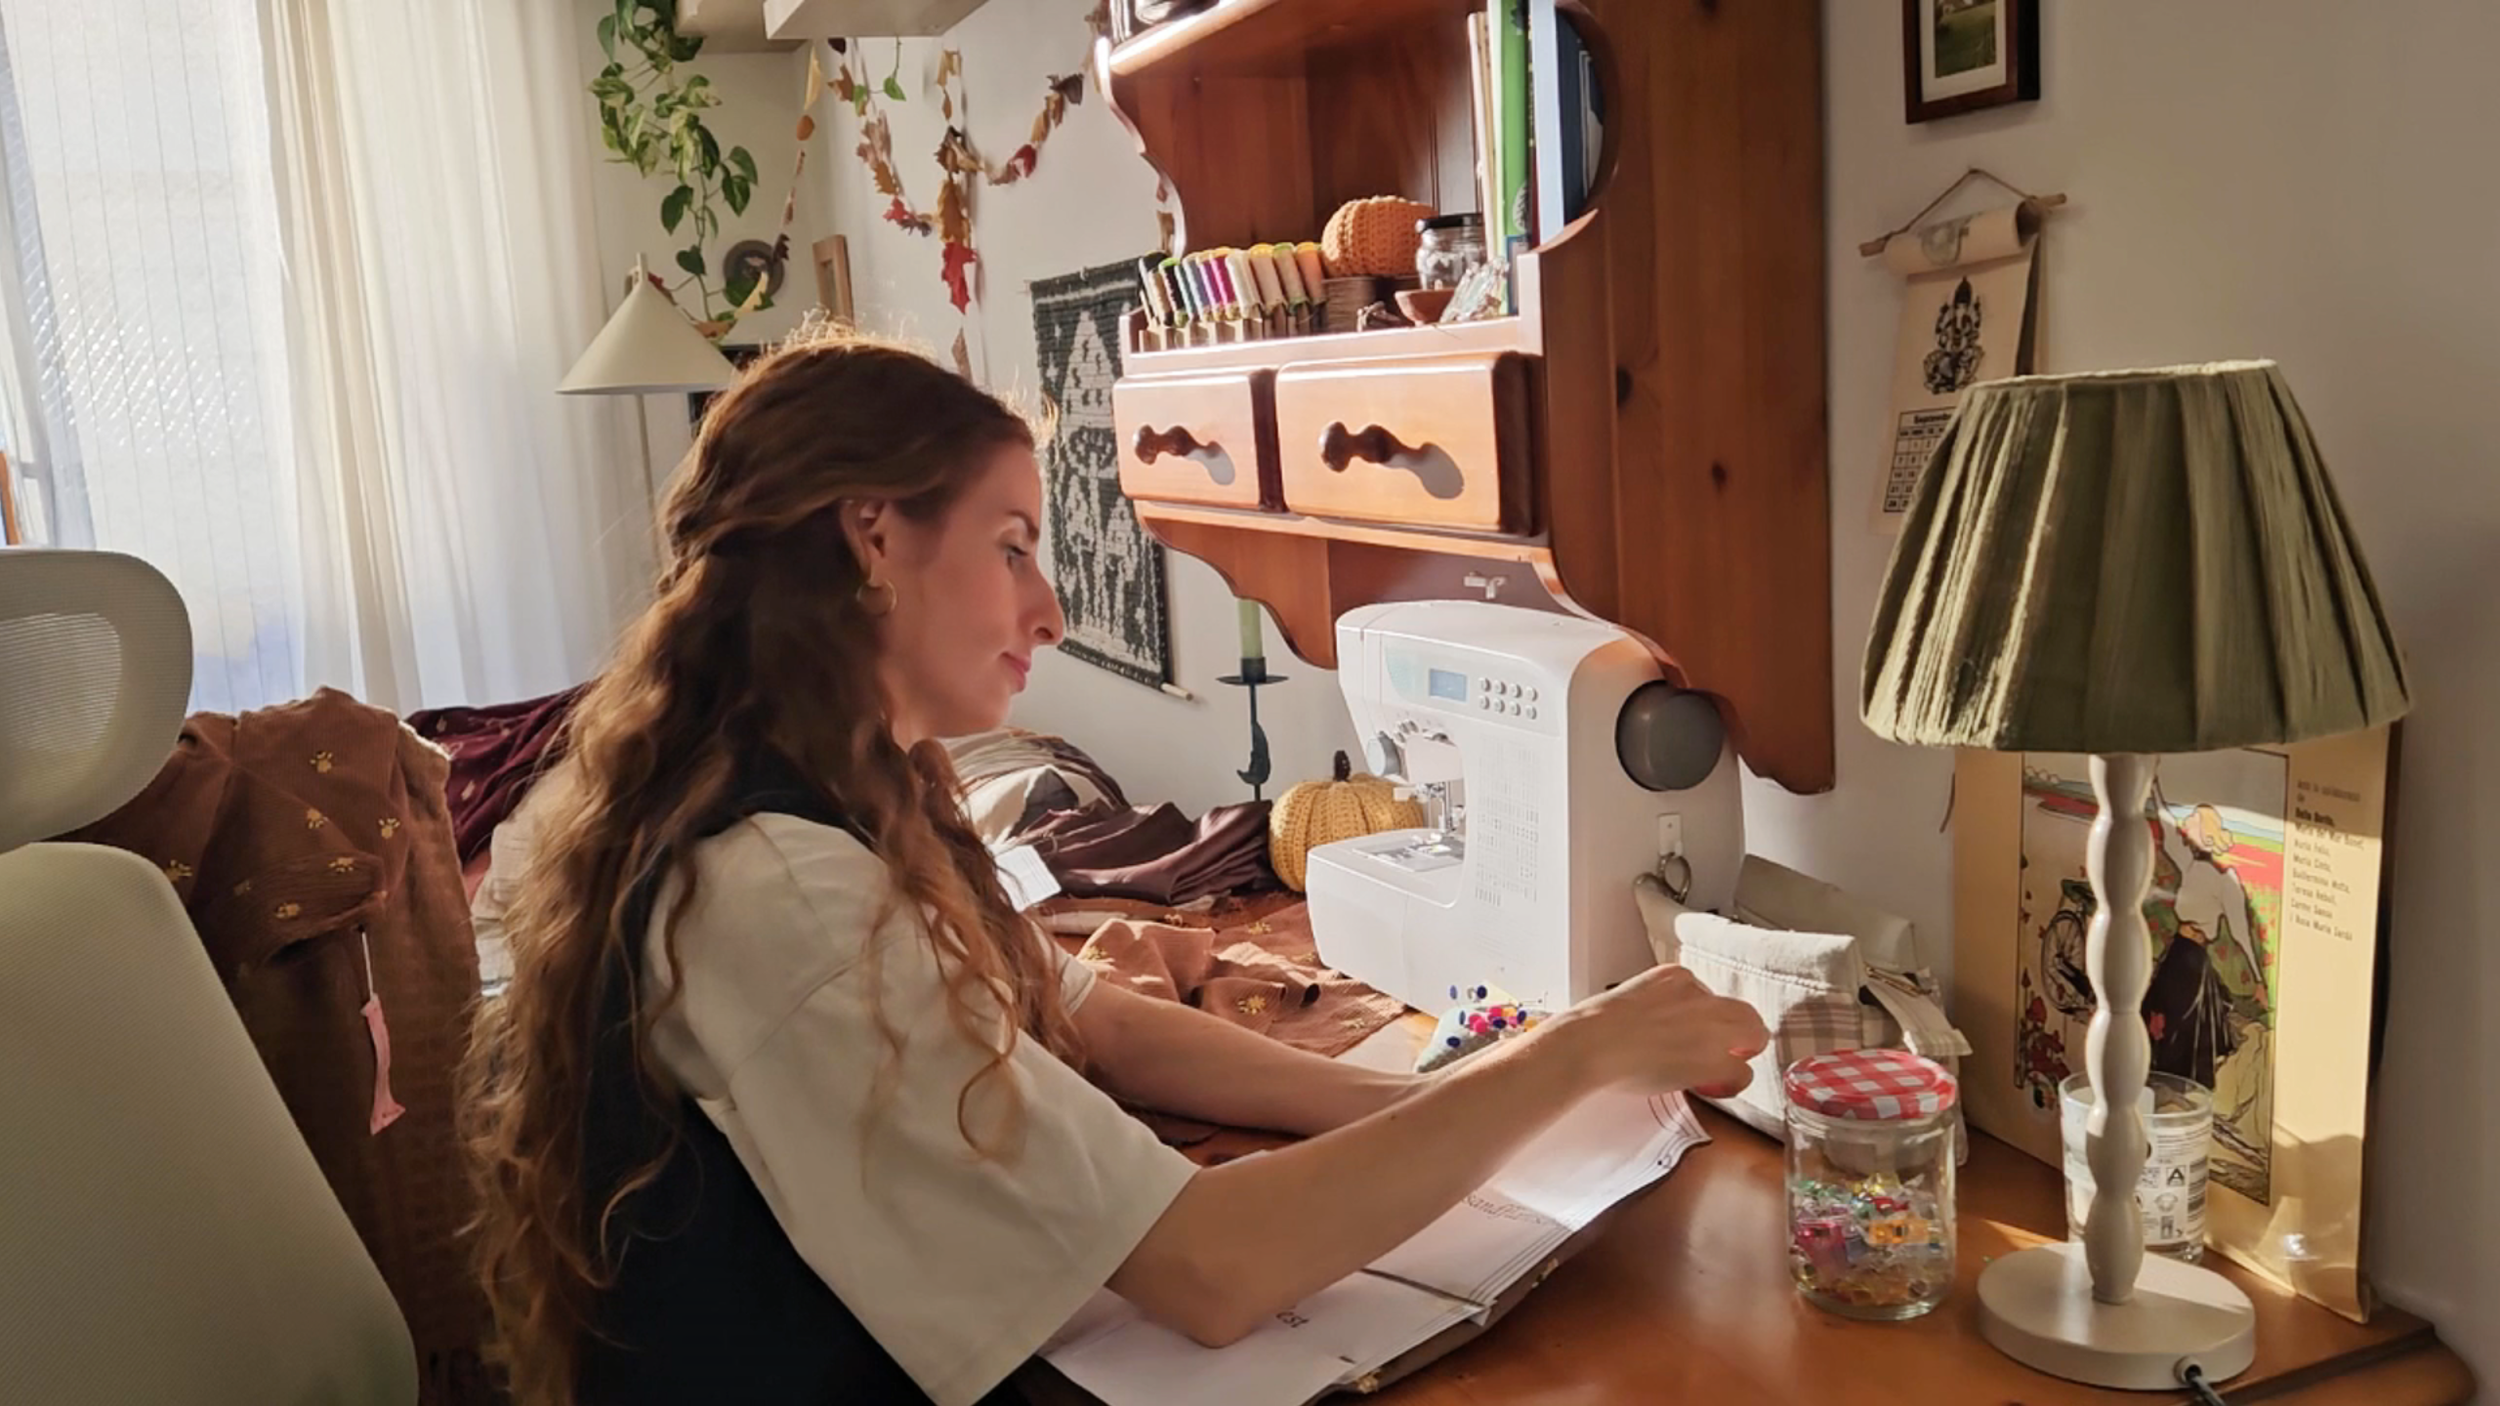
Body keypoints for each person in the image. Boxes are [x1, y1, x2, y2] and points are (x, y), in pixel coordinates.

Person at [459, 335, 1769, 1406]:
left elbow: (1076, 1007)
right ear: (871, 536)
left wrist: (1412, 1101)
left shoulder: (850, 780)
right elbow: (1211, 1266)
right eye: (1013, 545)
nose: (1052, 611)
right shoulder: (776, 891)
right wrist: (1575, 1055)